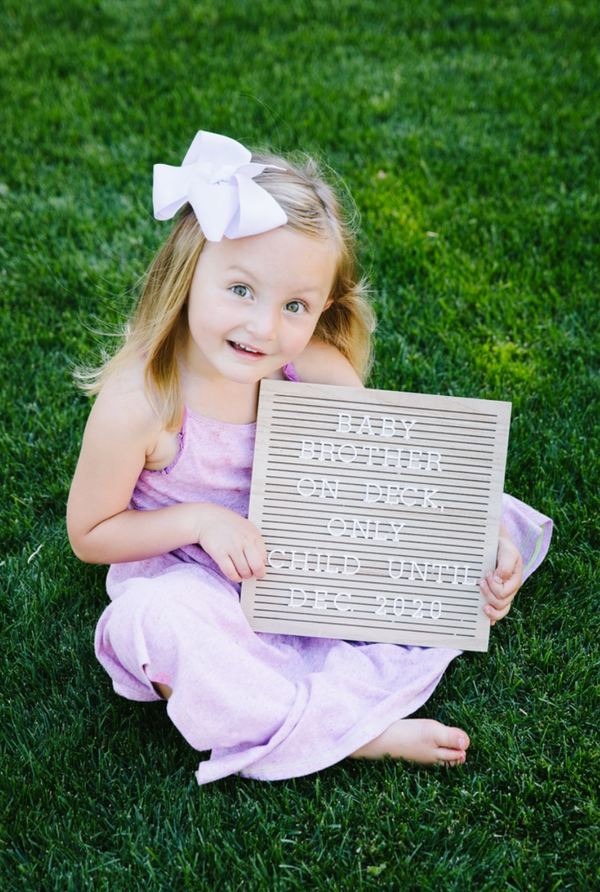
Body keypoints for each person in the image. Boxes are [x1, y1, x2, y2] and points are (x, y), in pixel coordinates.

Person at [67, 131, 552, 784]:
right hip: (199, 578)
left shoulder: (310, 368)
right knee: (152, 625)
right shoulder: (144, 402)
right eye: (240, 290)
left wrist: (478, 543)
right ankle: (349, 731)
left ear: (322, 306)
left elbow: (385, 471)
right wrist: (203, 521)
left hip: (315, 555)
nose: (264, 328)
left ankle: (327, 672)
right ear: (189, 273)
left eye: (293, 305)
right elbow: (91, 534)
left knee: (479, 507)